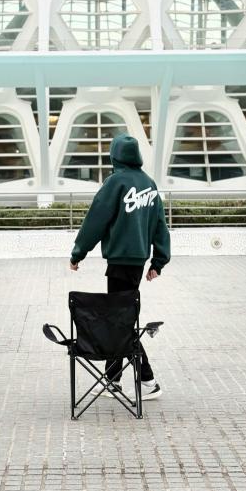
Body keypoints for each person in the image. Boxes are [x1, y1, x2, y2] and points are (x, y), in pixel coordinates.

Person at [69, 133, 171, 400]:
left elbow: (96, 219)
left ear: (115, 155)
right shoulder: (149, 184)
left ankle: (148, 381)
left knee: (121, 322)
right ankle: (113, 379)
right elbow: (161, 225)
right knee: (120, 317)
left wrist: (78, 252)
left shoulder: (115, 182)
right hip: (137, 262)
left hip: (119, 262)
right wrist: (158, 261)